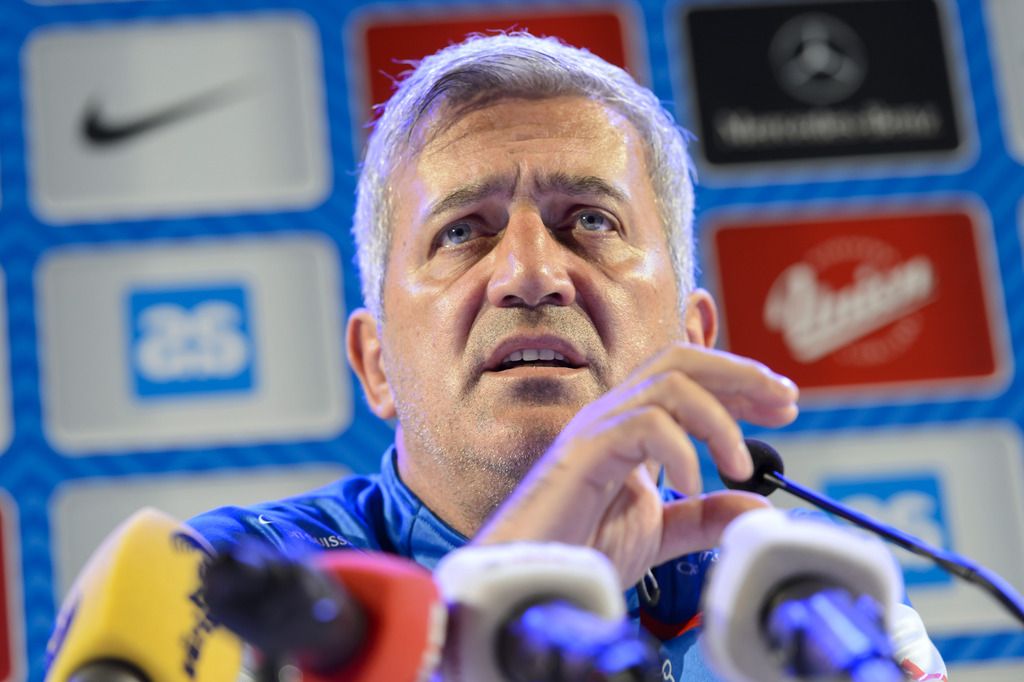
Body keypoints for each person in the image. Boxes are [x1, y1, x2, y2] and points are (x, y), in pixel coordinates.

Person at [189, 33, 935, 679]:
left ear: (691, 340)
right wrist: (497, 607)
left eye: (591, 220)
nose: (531, 276)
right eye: (460, 232)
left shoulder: (813, 614)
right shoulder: (227, 584)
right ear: (377, 363)